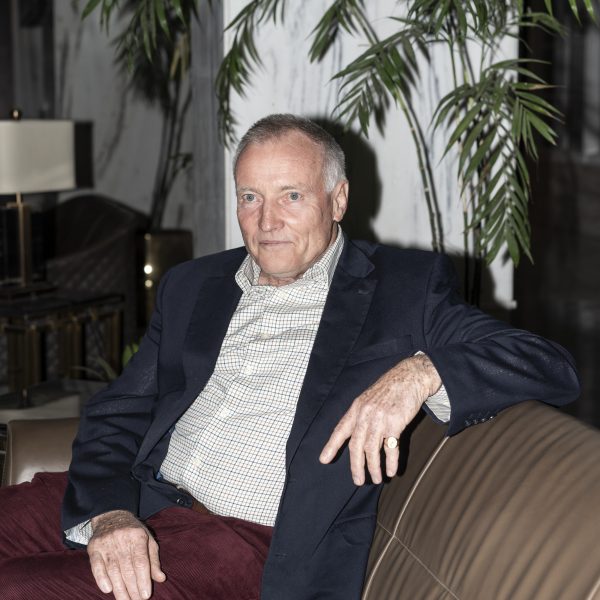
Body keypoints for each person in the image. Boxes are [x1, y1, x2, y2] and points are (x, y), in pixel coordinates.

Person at [0, 114, 579, 600]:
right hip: (140, 495)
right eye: (250, 197)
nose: (267, 221)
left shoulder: (404, 288)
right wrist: (110, 514)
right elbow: (118, 411)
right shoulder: (195, 284)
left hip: (244, 541)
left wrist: (418, 373)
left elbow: (548, 364)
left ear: (338, 199)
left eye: (292, 196)